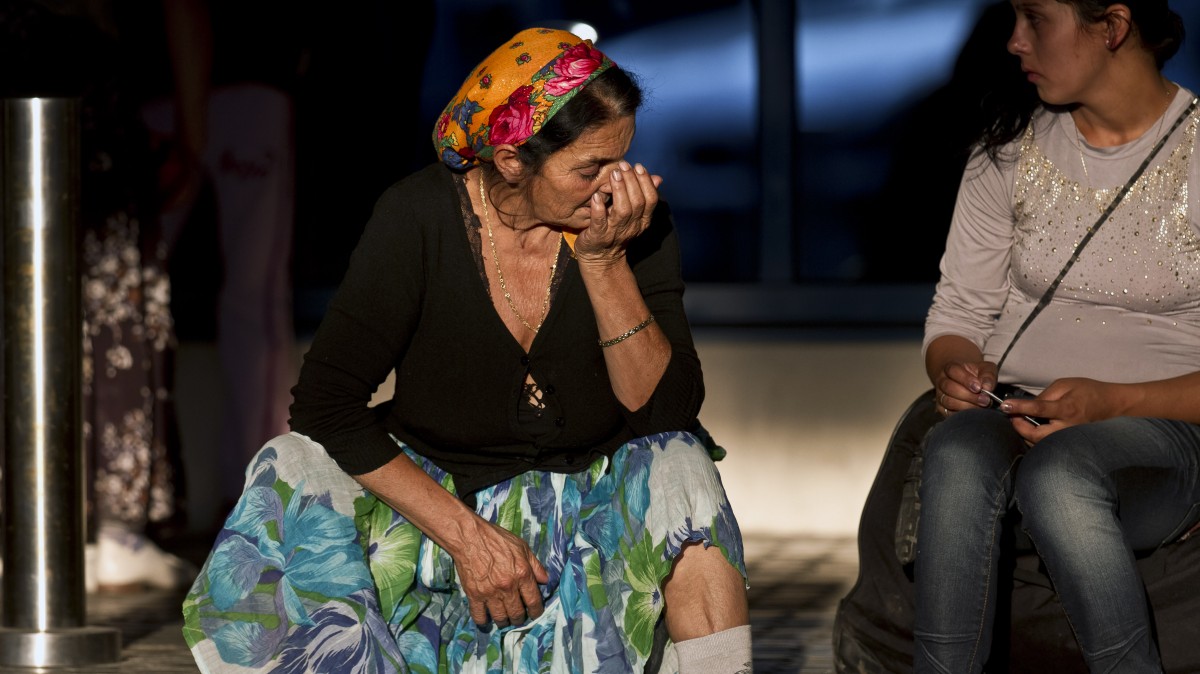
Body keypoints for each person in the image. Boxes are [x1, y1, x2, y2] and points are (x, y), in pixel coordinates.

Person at [181, 28, 751, 673]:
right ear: (511, 161)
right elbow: (325, 405)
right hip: (438, 511)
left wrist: (605, 262)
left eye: (621, 160)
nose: (613, 186)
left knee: (680, 463)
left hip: (589, 521)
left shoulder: (632, 224)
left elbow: (665, 413)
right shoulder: (416, 216)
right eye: (590, 169)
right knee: (291, 465)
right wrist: (467, 537)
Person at [914, 1, 1200, 672]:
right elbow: (958, 313)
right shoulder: (1009, 149)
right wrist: (953, 368)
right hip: (1016, 409)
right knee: (955, 449)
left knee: (1062, 474)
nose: (1014, 41)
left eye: (1035, 18)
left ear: (1113, 25)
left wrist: (1108, 403)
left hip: (1163, 430)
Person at [0, 0, 196, 591]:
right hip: (85, 73)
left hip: (25, 67)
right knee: (111, 300)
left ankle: (47, 536)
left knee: (30, 291)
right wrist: (194, 128)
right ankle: (111, 535)